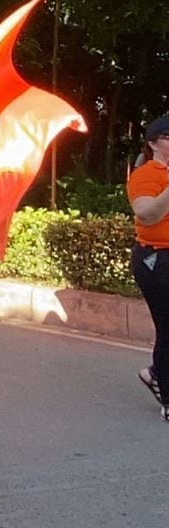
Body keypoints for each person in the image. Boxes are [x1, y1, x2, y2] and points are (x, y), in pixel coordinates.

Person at [127, 114, 169, 422]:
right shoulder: (146, 174)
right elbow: (147, 214)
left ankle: (155, 372)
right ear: (154, 142)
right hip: (157, 259)